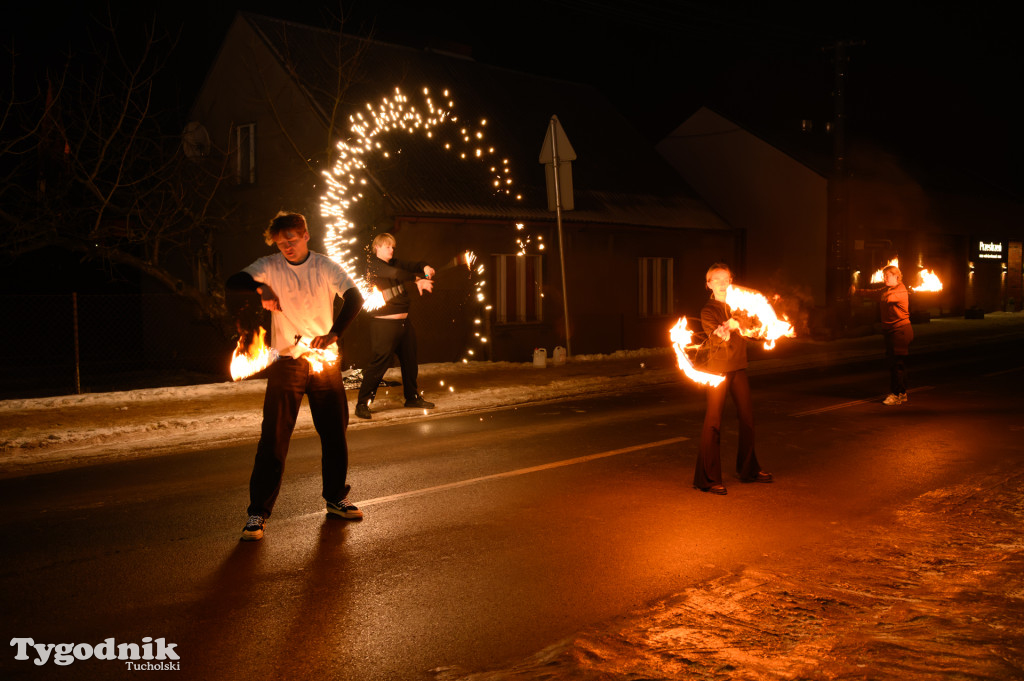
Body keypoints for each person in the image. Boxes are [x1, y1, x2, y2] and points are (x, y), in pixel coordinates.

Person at [226, 211, 365, 541]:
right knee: (273, 440)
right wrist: (261, 288)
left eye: (292, 240)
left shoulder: (324, 266)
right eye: (280, 242)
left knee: (334, 433)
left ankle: (336, 498)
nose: (286, 247)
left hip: (324, 362)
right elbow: (235, 281)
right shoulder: (270, 265)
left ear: (306, 235)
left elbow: (355, 297)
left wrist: (334, 334)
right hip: (287, 363)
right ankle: (257, 514)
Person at [693, 263, 774, 495]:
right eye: (715, 279)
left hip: (738, 367)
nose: (721, 282)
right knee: (714, 421)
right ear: (708, 284)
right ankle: (707, 478)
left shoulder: (741, 306)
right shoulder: (708, 310)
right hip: (717, 369)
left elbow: (757, 327)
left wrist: (739, 323)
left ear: (731, 280)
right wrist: (723, 332)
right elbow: (716, 339)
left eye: (725, 278)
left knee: (748, 417)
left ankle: (748, 469)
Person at [354, 233, 436, 420]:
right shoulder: (373, 265)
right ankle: (362, 403)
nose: (391, 249)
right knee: (379, 363)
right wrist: (418, 280)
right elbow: (398, 274)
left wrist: (425, 268)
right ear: (377, 248)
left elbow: (413, 265)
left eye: (392, 246)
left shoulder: (396, 262)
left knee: (410, 360)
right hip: (384, 324)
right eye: (387, 246)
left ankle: (412, 397)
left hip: (404, 324)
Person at [851, 264, 913, 405]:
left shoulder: (900, 291)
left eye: (888, 276)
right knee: (898, 364)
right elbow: (875, 293)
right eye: (883, 276)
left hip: (900, 331)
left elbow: (885, 297)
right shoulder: (888, 289)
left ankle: (896, 394)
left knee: (896, 365)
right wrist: (857, 292)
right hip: (892, 331)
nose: (884, 278)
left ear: (896, 276)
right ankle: (902, 393)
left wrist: (878, 293)